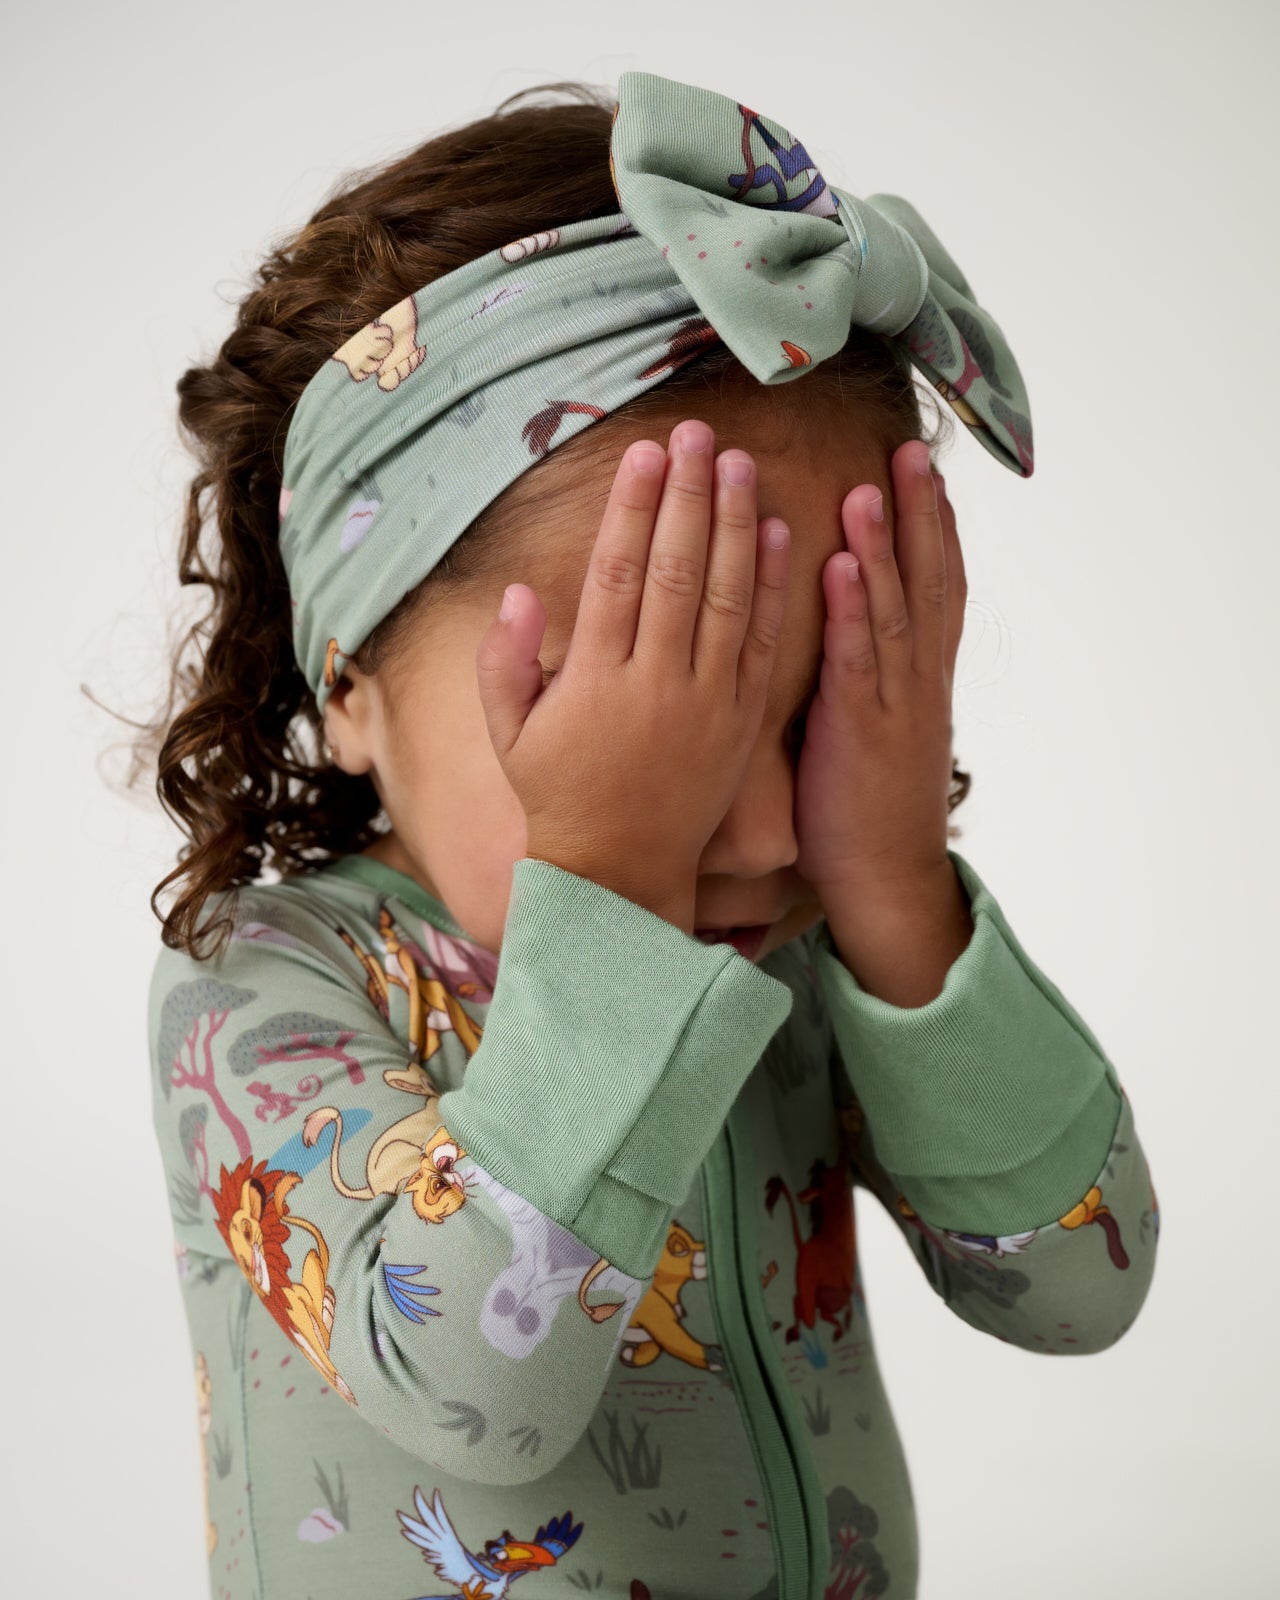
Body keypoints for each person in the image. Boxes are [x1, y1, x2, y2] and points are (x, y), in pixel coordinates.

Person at [143, 69, 1159, 1600]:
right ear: (348, 681)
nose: (750, 831)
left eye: (816, 717)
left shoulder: (815, 961)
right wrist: (606, 889)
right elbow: (473, 1386)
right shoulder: (266, 984)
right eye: (630, 722)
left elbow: (1076, 1286)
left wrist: (894, 885)